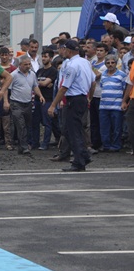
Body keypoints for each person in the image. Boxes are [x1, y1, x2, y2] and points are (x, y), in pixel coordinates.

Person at [48, 40, 94, 172]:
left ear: (69, 50)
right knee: (73, 129)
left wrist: (53, 105)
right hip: (82, 97)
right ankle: (83, 155)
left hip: (74, 98)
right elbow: (92, 81)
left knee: (73, 130)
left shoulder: (72, 66)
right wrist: (88, 97)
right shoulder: (85, 62)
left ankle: (79, 161)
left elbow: (64, 87)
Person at [9, 58, 45, 155]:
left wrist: (40, 95)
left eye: (29, 64)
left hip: (28, 103)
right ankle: (24, 147)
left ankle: (22, 146)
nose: (28, 66)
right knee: (21, 125)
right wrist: (6, 101)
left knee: (28, 125)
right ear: (20, 64)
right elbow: (7, 88)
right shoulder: (13, 75)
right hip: (16, 102)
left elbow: (35, 86)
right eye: (25, 64)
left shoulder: (32, 74)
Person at [98, 54, 127, 151]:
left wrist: (123, 102)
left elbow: (125, 89)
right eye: (108, 63)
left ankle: (116, 146)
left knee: (117, 128)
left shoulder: (122, 75)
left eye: (112, 62)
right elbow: (102, 87)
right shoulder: (103, 74)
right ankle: (106, 145)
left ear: (116, 63)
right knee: (104, 127)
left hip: (116, 106)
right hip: (103, 106)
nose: (110, 65)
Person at [31, 48, 58, 150]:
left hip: (48, 99)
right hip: (37, 99)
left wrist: (41, 83)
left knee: (47, 123)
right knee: (35, 122)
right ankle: (35, 142)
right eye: (42, 56)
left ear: (51, 58)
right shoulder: (40, 71)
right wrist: (41, 84)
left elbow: (42, 83)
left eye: (46, 56)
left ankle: (45, 143)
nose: (43, 58)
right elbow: (35, 84)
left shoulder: (53, 71)